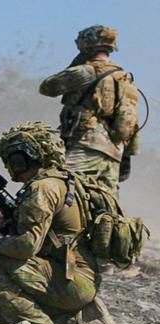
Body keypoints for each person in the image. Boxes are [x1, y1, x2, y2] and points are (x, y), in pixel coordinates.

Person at [0, 121, 117, 324]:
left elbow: (26, 247)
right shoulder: (63, 180)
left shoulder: (42, 189)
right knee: (0, 314)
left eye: (12, 160)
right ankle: (81, 319)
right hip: (78, 278)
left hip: (69, 281)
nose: (10, 167)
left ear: (25, 158)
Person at [39, 25, 141, 197]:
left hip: (86, 144)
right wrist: (126, 156)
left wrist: (76, 63)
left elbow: (47, 88)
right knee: (106, 204)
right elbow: (129, 122)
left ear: (87, 45)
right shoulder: (124, 78)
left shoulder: (85, 72)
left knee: (55, 187)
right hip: (114, 152)